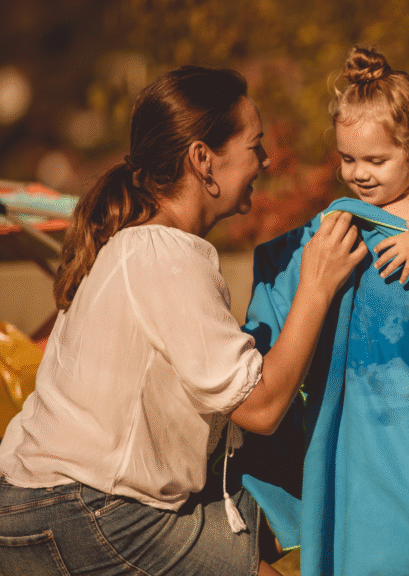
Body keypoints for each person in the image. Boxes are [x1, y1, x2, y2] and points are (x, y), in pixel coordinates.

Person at [0, 65, 368, 576]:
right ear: (203, 160)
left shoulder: (140, 242)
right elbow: (260, 408)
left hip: (50, 503)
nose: (265, 160)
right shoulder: (163, 255)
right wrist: (317, 285)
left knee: (269, 502)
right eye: (253, 146)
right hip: (87, 513)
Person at [237, 45, 409, 576]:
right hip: (355, 403)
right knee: (356, 517)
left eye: (376, 161)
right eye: (348, 160)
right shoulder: (344, 220)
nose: (360, 175)